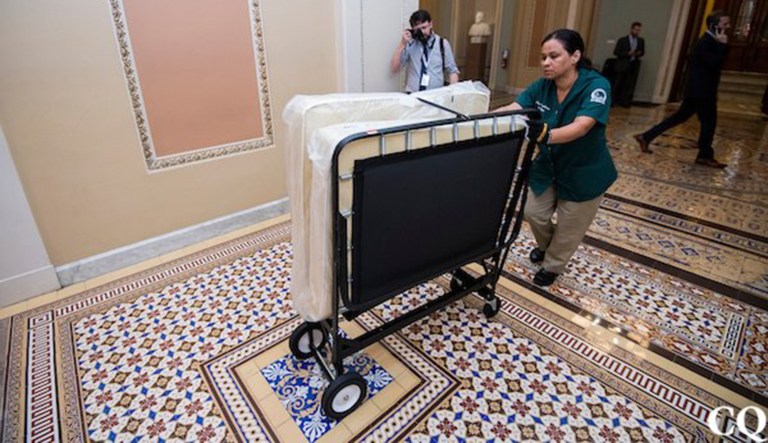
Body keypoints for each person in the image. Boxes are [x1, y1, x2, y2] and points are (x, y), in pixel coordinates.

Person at [495, 29, 617, 286]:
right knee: (533, 212)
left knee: (569, 227)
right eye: (543, 57)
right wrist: (484, 117)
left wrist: (545, 134)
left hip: (584, 171)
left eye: (553, 56)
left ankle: (552, 264)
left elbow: (582, 126)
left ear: (574, 56)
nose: (546, 63)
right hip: (549, 165)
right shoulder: (542, 86)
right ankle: (549, 247)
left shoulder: (596, 86)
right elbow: (516, 108)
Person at [634, 11, 730, 168]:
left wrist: (721, 44)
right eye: (725, 24)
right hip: (701, 92)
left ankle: (646, 137)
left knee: (680, 117)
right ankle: (705, 155)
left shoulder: (711, 41)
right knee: (709, 123)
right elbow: (714, 63)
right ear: (714, 26)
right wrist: (722, 44)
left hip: (699, 90)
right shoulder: (705, 42)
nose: (728, 27)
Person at [390, 9, 459, 92]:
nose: (422, 32)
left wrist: (452, 95)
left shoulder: (442, 44)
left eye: (424, 27)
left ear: (431, 24)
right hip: (413, 95)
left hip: (435, 96)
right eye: (418, 29)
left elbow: (453, 71)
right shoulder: (410, 44)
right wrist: (402, 44)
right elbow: (394, 68)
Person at [612, 22, 645, 107]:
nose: (637, 32)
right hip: (622, 65)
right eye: (636, 29)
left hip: (633, 65)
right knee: (617, 83)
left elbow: (642, 52)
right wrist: (627, 54)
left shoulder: (641, 41)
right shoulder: (622, 40)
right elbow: (616, 52)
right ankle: (612, 101)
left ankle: (624, 101)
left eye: (639, 30)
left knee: (628, 85)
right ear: (631, 29)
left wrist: (638, 54)